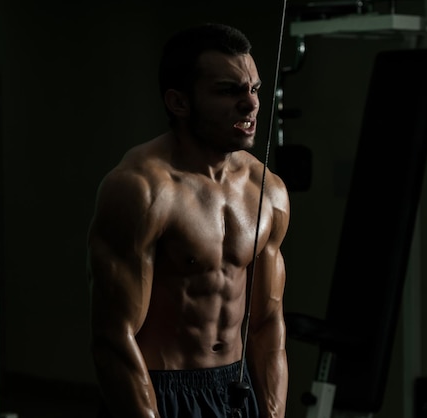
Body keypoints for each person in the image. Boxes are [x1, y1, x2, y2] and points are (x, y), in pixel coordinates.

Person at [87, 22, 290, 418]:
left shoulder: (268, 190)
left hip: (237, 387)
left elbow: (267, 323)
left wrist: (273, 411)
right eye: (228, 91)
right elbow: (114, 337)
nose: (250, 105)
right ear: (179, 103)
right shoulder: (141, 189)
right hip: (161, 391)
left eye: (254, 89)